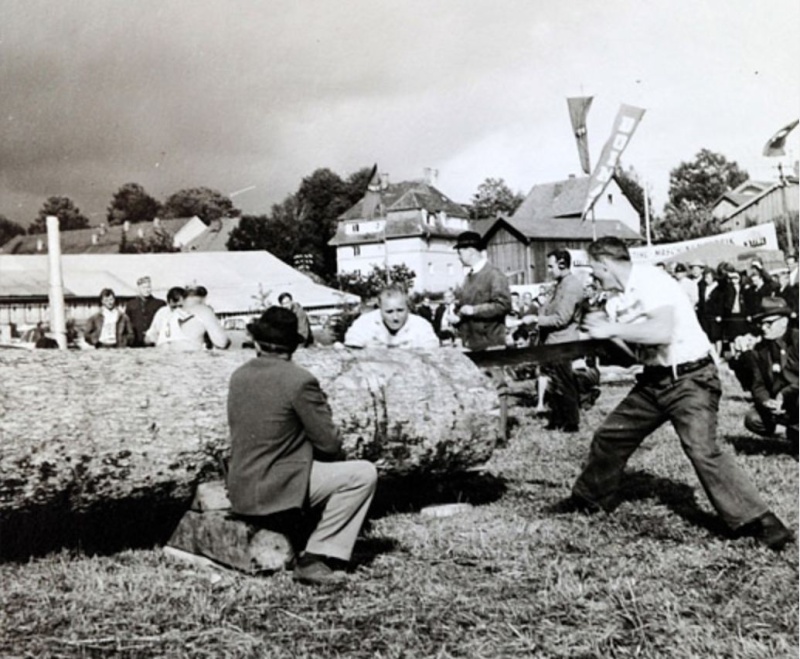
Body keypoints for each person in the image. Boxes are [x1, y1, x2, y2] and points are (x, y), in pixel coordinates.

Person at [556, 236, 792, 551]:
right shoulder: (616, 300)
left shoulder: (653, 280)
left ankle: (762, 521)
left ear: (604, 263)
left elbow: (661, 332)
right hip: (653, 382)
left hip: (691, 378)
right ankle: (588, 500)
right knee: (610, 436)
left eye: (594, 270)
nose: (593, 277)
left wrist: (613, 330)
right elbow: (631, 356)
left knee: (701, 448)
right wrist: (602, 333)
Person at [227, 307, 378, 585]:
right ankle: (316, 556)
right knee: (362, 474)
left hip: (241, 488)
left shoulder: (239, 376)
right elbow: (329, 444)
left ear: (257, 343)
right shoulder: (300, 381)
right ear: (293, 347)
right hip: (276, 490)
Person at [522, 249, 585, 432]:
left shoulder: (572, 286)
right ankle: (557, 418)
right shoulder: (560, 285)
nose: (549, 270)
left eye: (551, 266)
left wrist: (536, 320)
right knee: (555, 382)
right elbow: (548, 310)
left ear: (562, 264)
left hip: (563, 342)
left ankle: (571, 422)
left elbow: (562, 318)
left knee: (564, 383)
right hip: (553, 341)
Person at [741, 298, 798, 448]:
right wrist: (766, 401)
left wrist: (784, 395)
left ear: (784, 322)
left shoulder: (797, 341)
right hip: (781, 407)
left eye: (769, 323)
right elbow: (757, 384)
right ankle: (791, 434)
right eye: (761, 324)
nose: (764, 328)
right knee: (753, 419)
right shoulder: (760, 350)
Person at [451, 231, 512, 351]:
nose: (458, 257)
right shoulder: (469, 276)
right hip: (471, 345)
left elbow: (504, 305)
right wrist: (458, 318)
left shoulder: (494, 275)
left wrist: (474, 310)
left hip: (491, 346)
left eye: (460, 253)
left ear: (471, 251)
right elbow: (464, 307)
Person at [344, 285, 439, 349]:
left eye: (400, 310)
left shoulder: (421, 326)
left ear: (408, 307)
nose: (395, 317)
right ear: (380, 308)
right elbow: (351, 352)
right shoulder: (364, 324)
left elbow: (432, 355)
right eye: (389, 312)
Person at [157, 286, 230, 351]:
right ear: (204, 298)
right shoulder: (203, 310)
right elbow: (221, 342)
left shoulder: (171, 312)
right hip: (189, 359)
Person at [126, 276, 166, 347]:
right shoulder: (131, 304)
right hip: (136, 342)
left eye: (149, 287)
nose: (147, 290)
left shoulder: (159, 304)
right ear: (138, 289)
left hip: (154, 341)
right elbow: (127, 322)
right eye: (144, 287)